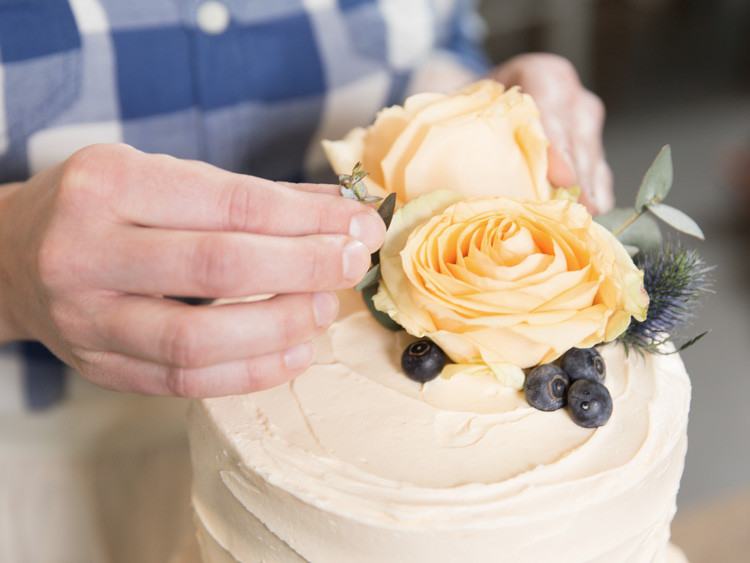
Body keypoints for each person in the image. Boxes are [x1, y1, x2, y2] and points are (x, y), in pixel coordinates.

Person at [0, 1, 612, 561]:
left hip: (378, 442)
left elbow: (437, 32)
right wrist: (8, 259)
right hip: (46, 466)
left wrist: (480, 106)